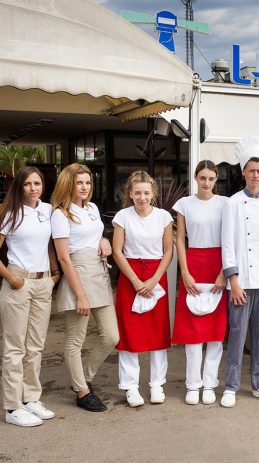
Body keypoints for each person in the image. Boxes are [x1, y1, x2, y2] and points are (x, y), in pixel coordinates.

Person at [220, 137, 259, 408]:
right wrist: (233, 280)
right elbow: (228, 243)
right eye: (251, 170)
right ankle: (231, 386)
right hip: (241, 282)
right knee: (237, 334)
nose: (255, 175)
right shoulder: (232, 203)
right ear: (243, 172)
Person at [52, 163, 119, 413]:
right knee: (75, 339)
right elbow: (64, 257)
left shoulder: (92, 208)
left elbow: (94, 234)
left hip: (99, 273)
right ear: (68, 184)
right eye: (79, 182)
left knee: (112, 336)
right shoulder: (61, 214)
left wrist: (104, 240)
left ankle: (83, 378)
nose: (84, 187)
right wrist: (80, 295)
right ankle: (82, 391)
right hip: (77, 273)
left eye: (88, 182)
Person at [0, 167, 60, 427]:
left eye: (37, 183)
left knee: (36, 346)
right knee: (15, 348)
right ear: (19, 187)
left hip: (43, 282)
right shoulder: (9, 212)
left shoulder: (47, 210)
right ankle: (12, 407)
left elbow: (50, 244)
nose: (33, 188)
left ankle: (31, 398)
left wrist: (55, 275)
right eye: (27, 184)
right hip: (18, 281)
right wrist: (12, 279)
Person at [112, 171, 173, 407]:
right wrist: (136, 281)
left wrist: (154, 280)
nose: (142, 197)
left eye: (146, 193)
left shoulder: (164, 217)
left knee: (158, 332)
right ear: (130, 193)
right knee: (129, 333)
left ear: (153, 194)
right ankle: (130, 387)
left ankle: (157, 384)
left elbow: (168, 251)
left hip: (156, 275)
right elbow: (117, 251)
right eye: (137, 193)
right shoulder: (122, 216)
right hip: (130, 276)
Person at [172, 161, 228, 406]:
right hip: (193, 264)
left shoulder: (225, 204)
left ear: (216, 180)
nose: (207, 182)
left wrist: (225, 272)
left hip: (218, 264)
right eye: (203, 177)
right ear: (195, 178)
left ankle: (210, 384)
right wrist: (184, 272)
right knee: (193, 331)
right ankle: (193, 384)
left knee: (215, 332)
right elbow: (180, 240)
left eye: (211, 178)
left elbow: (230, 239)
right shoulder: (184, 204)